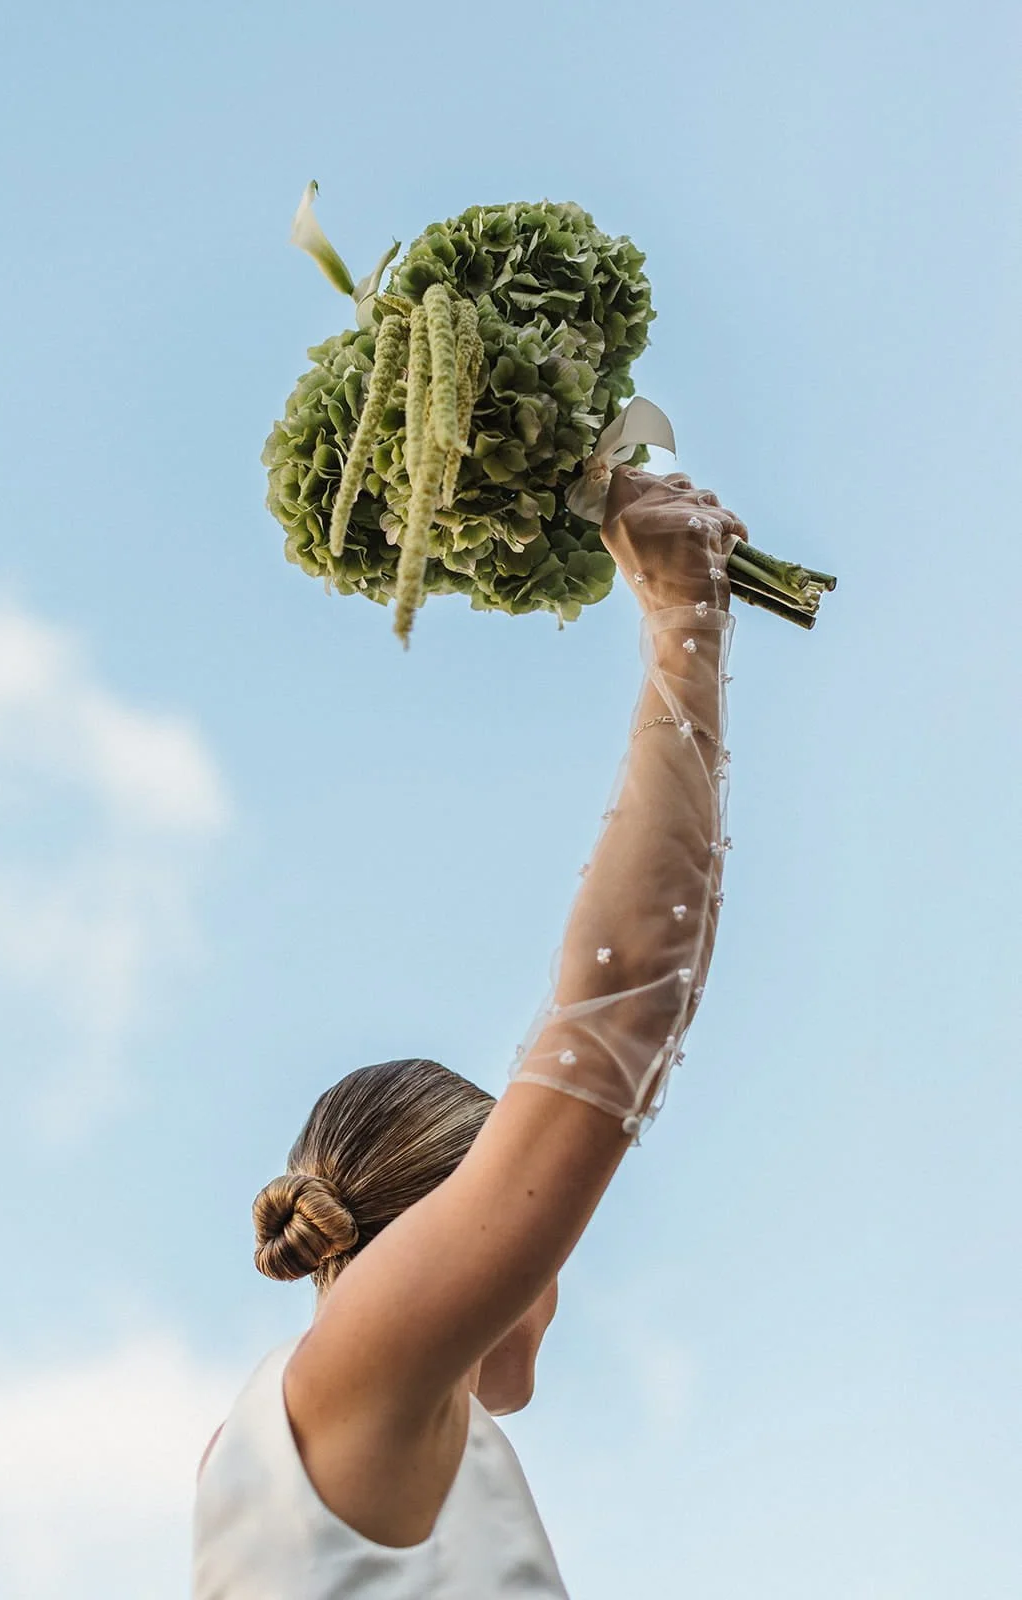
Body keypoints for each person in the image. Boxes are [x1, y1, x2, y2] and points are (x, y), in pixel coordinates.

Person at [193, 466, 749, 1598]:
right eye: (531, 1227)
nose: (546, 1262)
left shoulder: (376, 1423)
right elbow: (626, 988)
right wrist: (682, 618)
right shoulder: (356, 1374)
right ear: (458, 1219)